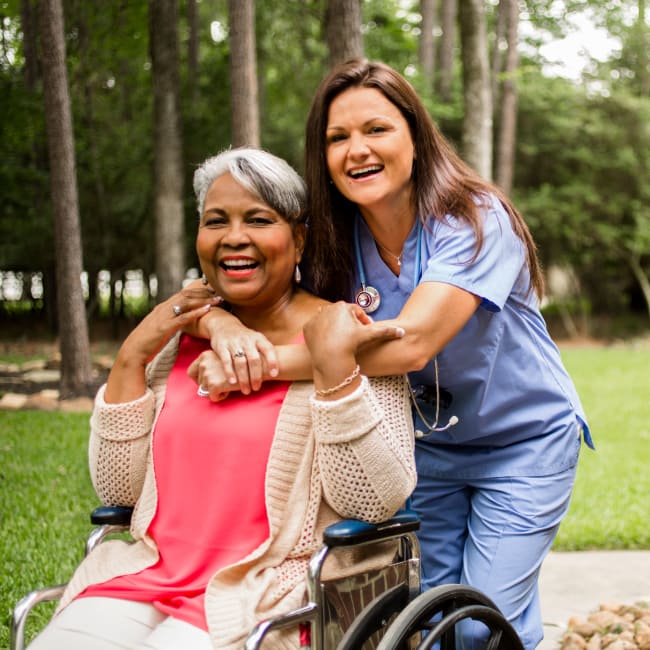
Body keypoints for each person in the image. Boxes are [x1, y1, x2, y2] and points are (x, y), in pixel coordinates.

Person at [189, 59, 593, 650]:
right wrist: (222, 325)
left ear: (415, 136)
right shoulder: (333, 239)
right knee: (427, 625)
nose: (357, 150)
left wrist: (262, 364)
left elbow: (413, 342)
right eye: (337, 137)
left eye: (375, 129)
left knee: (482, 626)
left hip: (521, 444)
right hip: (422, 449)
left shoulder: (475, 219)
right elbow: (229, 276)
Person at [27, 146, 416, 650]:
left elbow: (374, 499)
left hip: (270, 590)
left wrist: (336, 373)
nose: (235, 237)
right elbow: (119, 492)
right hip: (148, 576)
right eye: (216, 221)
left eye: (258, 219)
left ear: (298, 240)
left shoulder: (341, 334)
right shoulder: (174, 344)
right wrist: (130, 359)